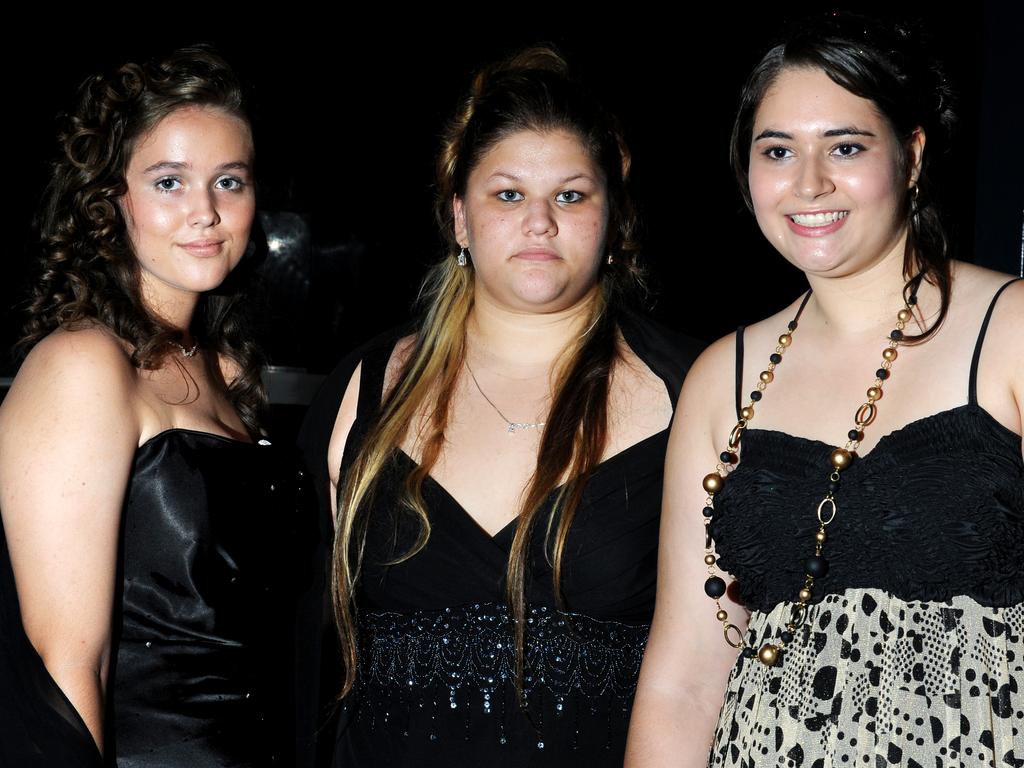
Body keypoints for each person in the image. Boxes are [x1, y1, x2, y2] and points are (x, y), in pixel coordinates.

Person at [626, 14, 1023, 767]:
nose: (809, 183)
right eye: (778, 151)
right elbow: (682, 681)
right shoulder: (723, 377)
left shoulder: (1009, 331)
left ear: (911, 156)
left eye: (845, 147)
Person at [298, 46, 701, 766]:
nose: (539, 223)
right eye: (508, 195)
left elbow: (712, 673)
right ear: (459, 218)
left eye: (571, 196)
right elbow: (306, 655)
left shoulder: (694, 388)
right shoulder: (364, 389)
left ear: (614, 219)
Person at [0, 47, 314, 767]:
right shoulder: (83, 366)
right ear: (113, 200)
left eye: (228, 181)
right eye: (169, 182)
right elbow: (65, 666)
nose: (205, 212)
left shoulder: (227, 372)